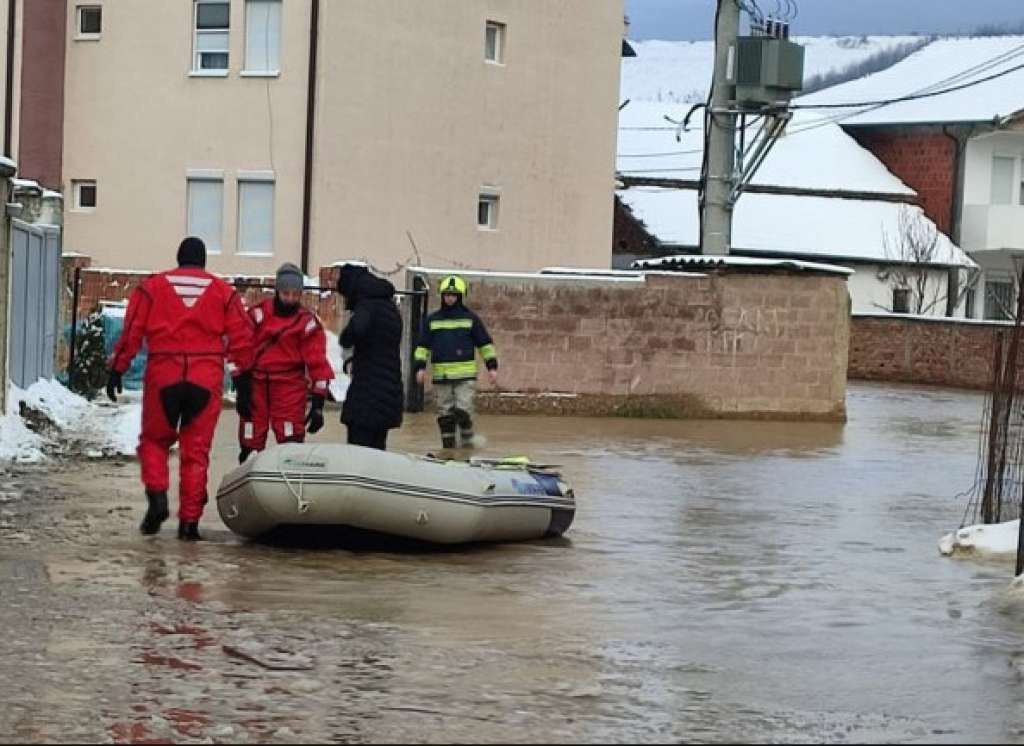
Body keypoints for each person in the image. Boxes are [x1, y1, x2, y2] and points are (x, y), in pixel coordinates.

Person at [106, 236, 255, 541]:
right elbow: (242, 339)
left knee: (154, 442)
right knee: (196, 453)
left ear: (178, 258)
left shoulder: (152, 288)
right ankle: (189, 524)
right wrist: (243, 383)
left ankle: (158, 496)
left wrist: (117, 369)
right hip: (205, 376)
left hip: (164, 373)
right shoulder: (224, 292)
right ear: (202, 261)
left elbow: (132, 329)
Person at [237, 262, 334, 464]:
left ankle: (290, 473)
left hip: (289, 385)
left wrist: (318, 402)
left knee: (290, 438)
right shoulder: (257, 315)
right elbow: (240, 349)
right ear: (278, 291)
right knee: (251, 435)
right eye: (286, 294)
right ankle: (248, 463)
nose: (290, 299)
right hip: (256, 383)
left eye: (295, 294)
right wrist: (241, 386)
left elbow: (317, 363)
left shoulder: (306, 323)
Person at [413, 275, 498, 449]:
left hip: (465, 377)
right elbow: (422, 346)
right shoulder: (433, 320)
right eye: (447, 295)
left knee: (463, 410)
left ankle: (467, 441)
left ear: (460, 296)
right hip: (441, 376)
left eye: (453, 295)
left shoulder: (470, 319)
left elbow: (484, 344)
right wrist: (420, 368)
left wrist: (492, 367)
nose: (450, 298)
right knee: (445, 415)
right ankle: (448, 450)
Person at [336, 264, 404, 450]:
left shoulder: (367, 305)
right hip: (389, 392)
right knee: (377, 450)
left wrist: (345, 338)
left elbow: (357, 329)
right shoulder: (390, 307)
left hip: (367, 393)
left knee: (358, 450)